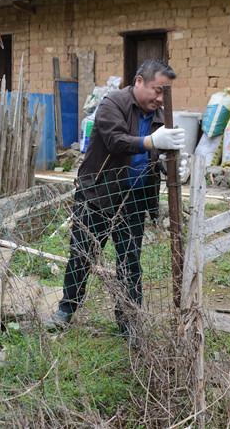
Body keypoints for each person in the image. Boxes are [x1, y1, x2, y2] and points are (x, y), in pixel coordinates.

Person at [45, 59, 186, 342]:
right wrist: (152, 142)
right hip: (97, 195)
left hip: (133, 199)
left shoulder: (159, 115)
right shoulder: (113, 103)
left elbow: (155, 157)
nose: (160, 99)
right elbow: (115, 141)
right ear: (138, 82)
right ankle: (65, 311)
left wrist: (173, 165)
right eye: (157, 91)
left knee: (130, 263)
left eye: (165, 93)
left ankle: (129, 323)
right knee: (82, 256)